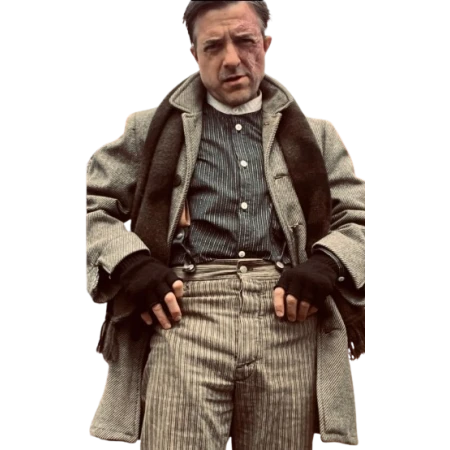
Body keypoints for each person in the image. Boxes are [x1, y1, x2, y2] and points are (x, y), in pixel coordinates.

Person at [86, 1, 366, 448]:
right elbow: (91, 208)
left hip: (289, 318)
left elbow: (360, 217)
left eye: (245, 41)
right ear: (194, 54)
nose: (232, 59)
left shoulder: (315, 136)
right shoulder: (147, 131)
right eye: (214, 46)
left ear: (266, 44)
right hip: (184, 316)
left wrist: (325, 264)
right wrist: (132, 264)